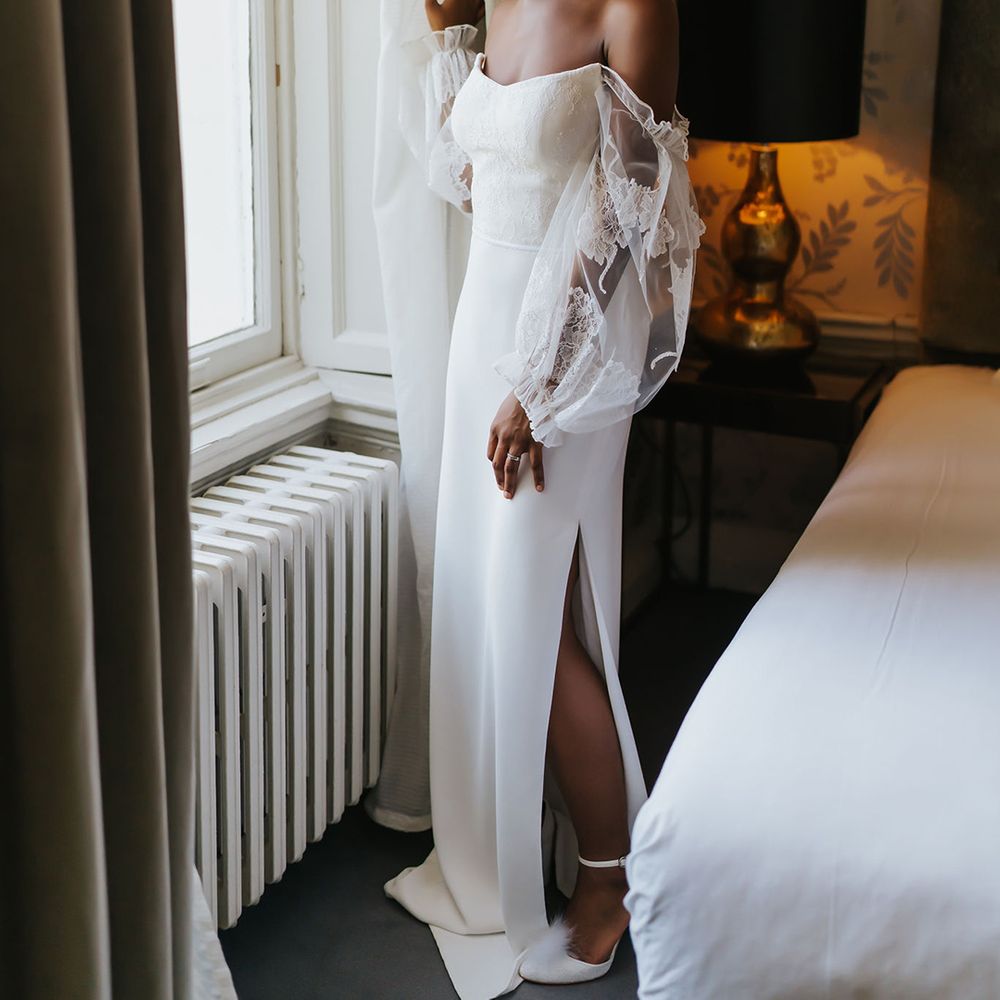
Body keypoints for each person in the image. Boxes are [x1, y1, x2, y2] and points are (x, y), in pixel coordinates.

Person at [383, 1, 703, 996]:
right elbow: (471, 178)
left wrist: (538, 377)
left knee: (546, 621)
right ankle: (518, 848)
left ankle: (605, 882)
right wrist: (445, 33)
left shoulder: (634, 7)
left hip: (567, 356)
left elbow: (629, 200)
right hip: (484, 326)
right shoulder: (500, 8)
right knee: (492, 605)